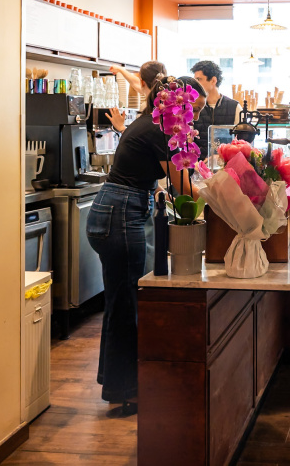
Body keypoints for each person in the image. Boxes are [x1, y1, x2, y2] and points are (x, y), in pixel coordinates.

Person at [86, 73, 206, 417]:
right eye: (192, 109)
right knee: (127, 304)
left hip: (114, 210)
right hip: (120, 213)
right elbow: (184, 187)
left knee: (121, 301)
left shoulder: (150, 123)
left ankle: (118, 385)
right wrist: (225, 201)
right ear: (177, 104)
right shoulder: (160, 129)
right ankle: (126, 389)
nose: (194, 118)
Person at [191, 60, 242, 160]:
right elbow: (188, 141)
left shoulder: (235, 107)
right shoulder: (193, 108)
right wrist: (194, 163)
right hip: (198, 168)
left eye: (199, 79)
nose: (195, 84)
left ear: (213, 80)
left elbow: (243, 143)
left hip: (227, 167)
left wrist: (221, 156)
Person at [106, 61, 166, 133]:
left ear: (142, 82)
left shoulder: (152, 111)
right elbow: (137, 83)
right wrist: (121, 70)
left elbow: (142, 137)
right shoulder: (166, 97)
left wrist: (121, 127)